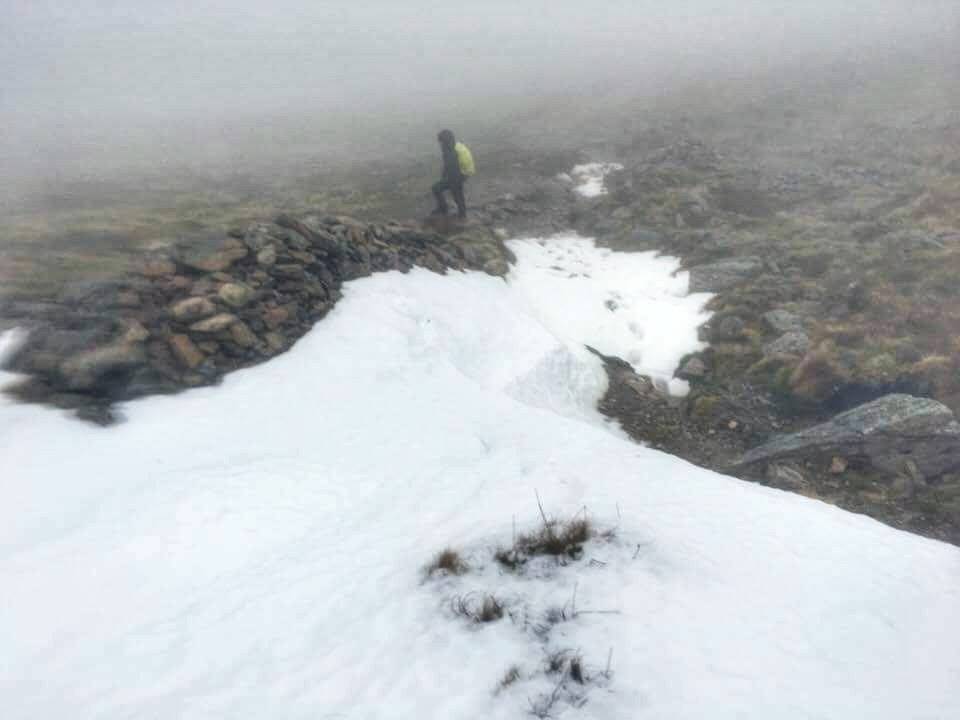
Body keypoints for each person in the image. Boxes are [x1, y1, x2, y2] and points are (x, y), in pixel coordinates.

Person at [431, 129, 473, 219]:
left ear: (444, 141)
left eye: (441, 141)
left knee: (449, 191)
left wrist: (447, 179)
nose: (440, 144)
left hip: (457, 174)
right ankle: (461, 213)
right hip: (463, 173)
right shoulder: (456, 145)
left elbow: (450, 166)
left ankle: (448, 210)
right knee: (457, 193)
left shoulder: (450, 150)